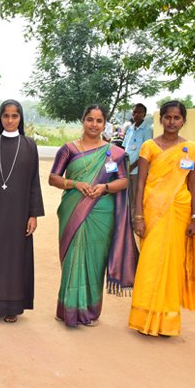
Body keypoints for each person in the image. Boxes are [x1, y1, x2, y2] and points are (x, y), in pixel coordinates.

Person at [49, 104, 138, 327]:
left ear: (104, 124)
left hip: (102, 212)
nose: (94, 124)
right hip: (73, 210)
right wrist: (75, 184)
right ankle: (68, 309)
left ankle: (90, 311)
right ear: (83, 120)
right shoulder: (68, 149)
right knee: (72, 258)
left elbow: (123, 180)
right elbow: (53, 178)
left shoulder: (113, 153)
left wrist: (104, 188)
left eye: (99, 121)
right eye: (90, 119)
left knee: (95, 262)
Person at [0, 100, 44, 323]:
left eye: (15, 116)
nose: (10, 120)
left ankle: (13, 306)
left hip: (19, 213)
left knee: (16, 259)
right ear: (0, 118)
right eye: (6, 116)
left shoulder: (30, 145)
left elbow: (34, 181)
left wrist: (33, 214)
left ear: (20, 118)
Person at [129, 101, 195, 336]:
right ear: (161, 119)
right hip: (152, 212)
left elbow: (192, 185)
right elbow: (140, 184)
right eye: (168, 117)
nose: (172, 122)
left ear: (183, 121)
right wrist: (138, 216)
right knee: (150, 261)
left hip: (179, 212)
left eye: (177, 118)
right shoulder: (149, 146)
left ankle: (167, 322)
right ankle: (143, 317)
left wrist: (194, 217)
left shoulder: (190, 148)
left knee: (172, 265)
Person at [122, 103, 153, 218]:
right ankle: (129, 221)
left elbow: (146, 153)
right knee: (128, 197)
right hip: (127, 168)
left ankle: (136, 221)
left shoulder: (147, 130)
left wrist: (132, 166)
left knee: (137, 197)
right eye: (134, 112)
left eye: (139, 112)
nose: (136, 114)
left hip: (137, 171)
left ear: (144, 114)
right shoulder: (130, 128)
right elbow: (125, 148)